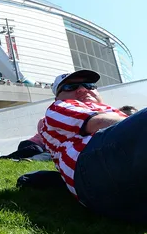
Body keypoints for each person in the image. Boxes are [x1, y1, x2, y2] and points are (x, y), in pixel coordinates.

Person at [38, 69, 145, 222]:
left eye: (89, 85)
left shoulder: (110, 109)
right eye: (70, 87)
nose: (82, 89)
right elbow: (99, 123)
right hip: (94, 174)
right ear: (57, 96)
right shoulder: (58, 107)